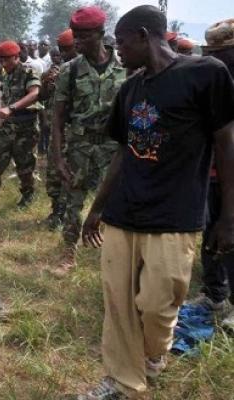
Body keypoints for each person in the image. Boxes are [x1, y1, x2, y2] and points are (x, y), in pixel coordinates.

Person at [77, 6, 234, 399]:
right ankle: (121, 380)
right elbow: (121, 152)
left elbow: (226, 142)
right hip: (124, 212)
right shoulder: (130, 88)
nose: (117, 52)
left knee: (158, 303)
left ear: (144, 35)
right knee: (118, 305)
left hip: (175, 214)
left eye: (122, 43)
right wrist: (97, 208)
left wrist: (229, 215)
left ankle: (154, 353)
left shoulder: (205, 74)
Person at [50, 6, 127, 276]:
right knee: (73, 200)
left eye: (83, 35)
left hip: (112, 147)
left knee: (116, 200)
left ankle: (116, 254)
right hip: (80, 146)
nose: (77, 41)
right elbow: (58, 120)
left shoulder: (125, 69)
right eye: (75, 35)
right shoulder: (69, 71)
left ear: (100, 34)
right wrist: (58, 158)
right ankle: (68, 253)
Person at [187, 17, 234, 332]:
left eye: (222, 53)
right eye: (211, 52)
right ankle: (214, 293)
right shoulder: (210, 83)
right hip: (211, 173)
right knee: (209, 234)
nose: (215, 58)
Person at [0, 41, 41, 216]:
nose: (3, 64)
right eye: (0, 60)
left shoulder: (29, 71)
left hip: (26, 127)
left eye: (6, 60)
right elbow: (4, 95)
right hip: (7, 127)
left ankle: (28, 196)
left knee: (25, 166)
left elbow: (35, 93)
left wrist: (11, 108)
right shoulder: (5, 74)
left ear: (16, 56)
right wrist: (1, 112)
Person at [40, 29, 77, 232]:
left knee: (69, 174)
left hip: (74, 132)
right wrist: (47, 82)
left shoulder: (80, 70)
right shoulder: (57, 69)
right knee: (54, 172)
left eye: (66, 49)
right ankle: (56, 211)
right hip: (57, 130)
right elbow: (43, 97)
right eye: (61, 50)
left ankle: (66, 215)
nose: (62, 54)